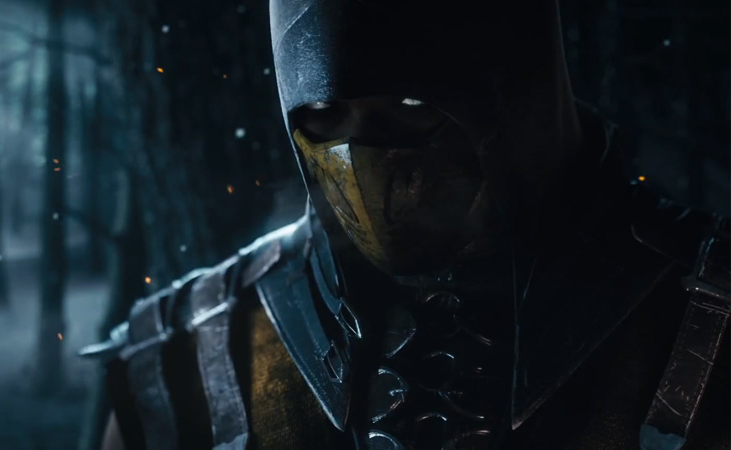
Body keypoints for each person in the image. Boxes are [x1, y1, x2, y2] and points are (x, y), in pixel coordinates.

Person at [82, 0, 730, 449]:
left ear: (515, 97)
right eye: (327, 117)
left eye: (410, 109)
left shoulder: (706, 322)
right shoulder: (189, 360)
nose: (367, 165)